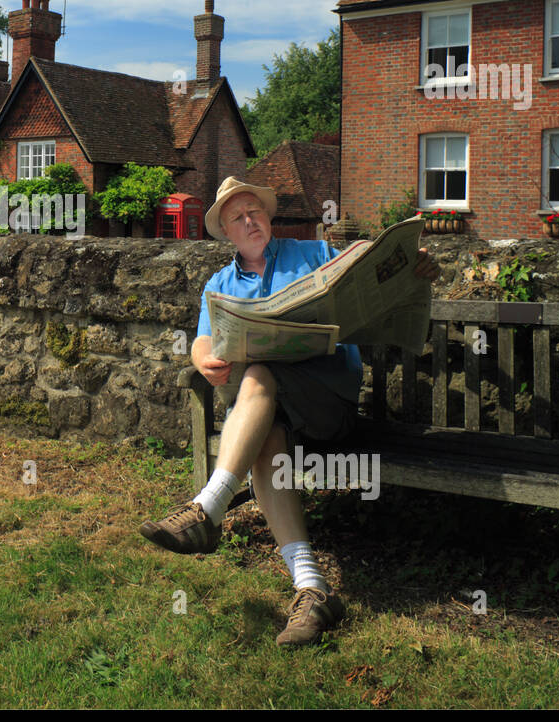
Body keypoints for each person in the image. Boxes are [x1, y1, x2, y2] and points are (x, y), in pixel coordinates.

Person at [140, 176, 440, 646]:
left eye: (254, 211)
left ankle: (209, 507)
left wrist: (412, 270)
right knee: (266, 440)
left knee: (260, 373)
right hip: (271, 421)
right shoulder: (219, 283)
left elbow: (370, 276)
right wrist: (202, 358)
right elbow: (203, 337)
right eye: (237, 217)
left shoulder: (311, 255)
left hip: (329, 411)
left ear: (268, 216)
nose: (249, 220)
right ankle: (313, 591)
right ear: (226, 231)